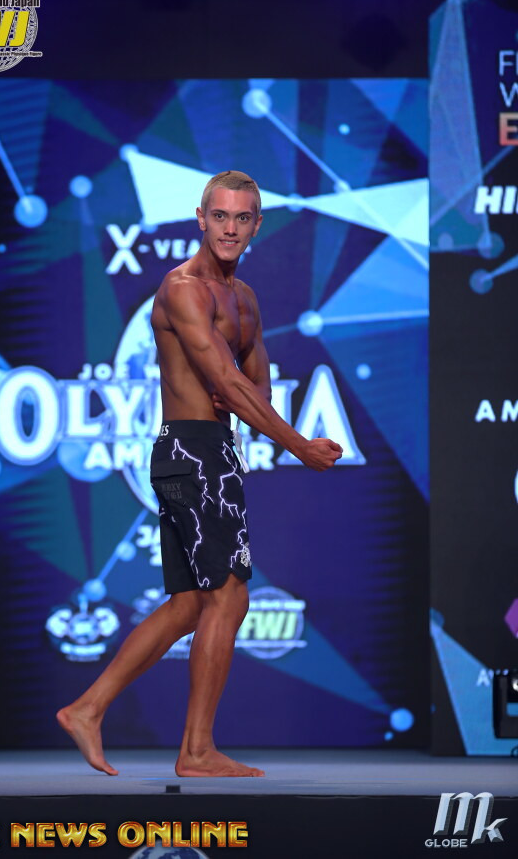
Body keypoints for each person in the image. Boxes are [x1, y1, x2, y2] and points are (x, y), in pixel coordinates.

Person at [57, 170, 343, 777]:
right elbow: (228, 384)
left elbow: (255, 380)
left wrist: (244, 402)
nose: (230, 228)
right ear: (200, 218)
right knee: (230, 597)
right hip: (190, 453)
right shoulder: (182, 289)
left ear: (257, 225)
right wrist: (297, 445)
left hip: (215, 453)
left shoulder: (245, 298)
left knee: (190, 604)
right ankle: (195, 751)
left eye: (242, 218)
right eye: (220, 216)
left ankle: (87, 708)